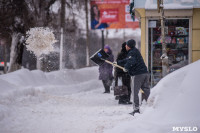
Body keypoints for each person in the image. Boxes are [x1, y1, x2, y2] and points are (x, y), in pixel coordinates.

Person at [117, 39, 150, 116]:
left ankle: (136, 110)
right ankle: (155, 104)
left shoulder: (132, 52)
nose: (125, 46)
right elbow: (128, 60)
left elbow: (131, 61)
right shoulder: (135, 51)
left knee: (135, 92)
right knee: (146, 90)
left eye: (126, 45)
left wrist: (126, 67)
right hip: (145, 73)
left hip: (138, 74)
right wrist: (119, 62)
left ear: (128, 46)